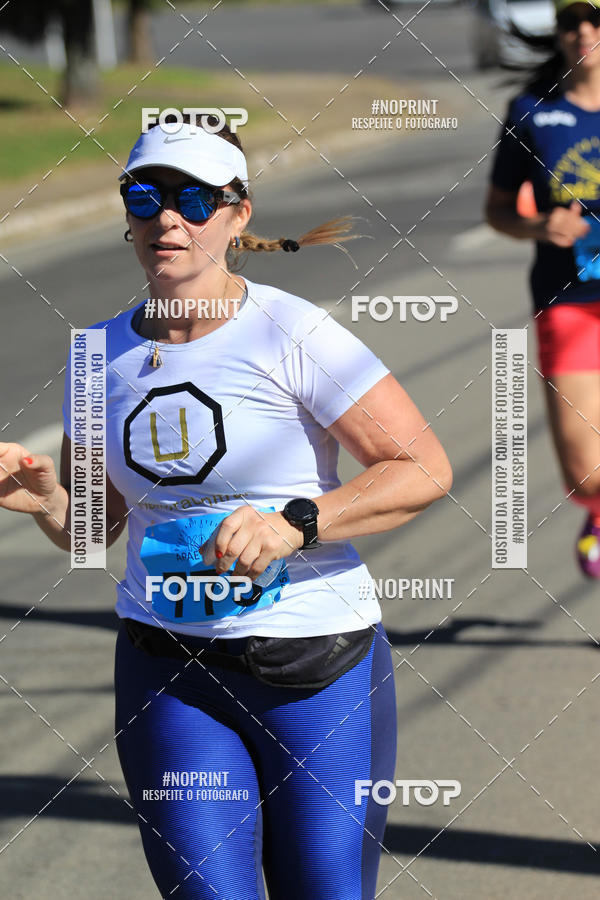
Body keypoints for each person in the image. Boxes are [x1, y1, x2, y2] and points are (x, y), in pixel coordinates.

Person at [0, 113, 452, 899]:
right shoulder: (93, 355)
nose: (166, 218)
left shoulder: (293, 331)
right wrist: (46, 503)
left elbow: (420, 467)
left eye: (194, 199)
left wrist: (295, 523)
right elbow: (94, 531)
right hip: (168, 669)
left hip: (314, 666)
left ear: (238, 214)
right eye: (144, 196)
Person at [486, 0, 600, 577]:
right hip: (570, 300)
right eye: (571, 21)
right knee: (587, 471)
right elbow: (498, 212)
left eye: (596, 19)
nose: (583, 31)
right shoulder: (531, 112)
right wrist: (541, 225)